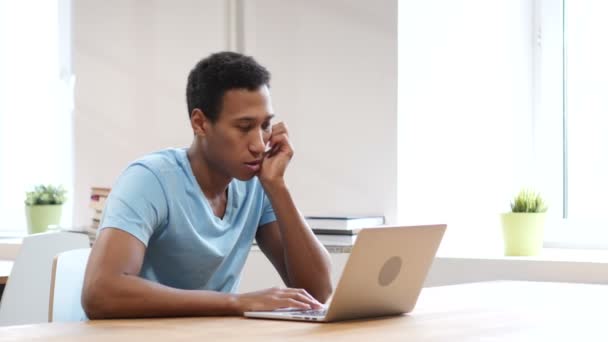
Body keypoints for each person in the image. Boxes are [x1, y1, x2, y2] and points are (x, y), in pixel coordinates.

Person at [82, 51, 333, 319]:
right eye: (244, 127)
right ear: (200, 123)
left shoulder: (256, 184)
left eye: (265, 125)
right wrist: (235, 302)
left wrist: (277, 187)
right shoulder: (149, 180)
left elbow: (317, 292)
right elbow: (100, 292)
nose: (259, 144)